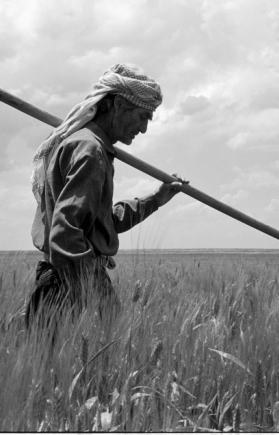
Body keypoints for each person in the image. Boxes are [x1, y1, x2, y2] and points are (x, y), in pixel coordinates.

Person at [26, 63, 187, 327]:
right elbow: (65, 233)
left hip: (66, 277)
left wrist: (156, 200)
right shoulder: (90, 150)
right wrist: (97, 293)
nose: (144, 129)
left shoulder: (88, 145)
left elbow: (101, 224)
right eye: (143, 116)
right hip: (69, 281)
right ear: (120, 105)